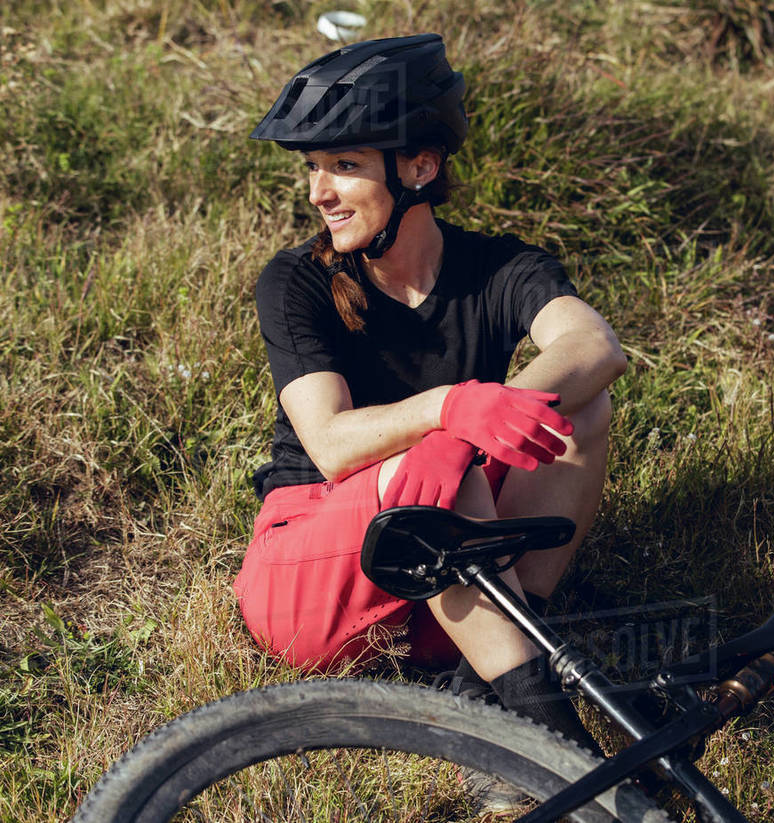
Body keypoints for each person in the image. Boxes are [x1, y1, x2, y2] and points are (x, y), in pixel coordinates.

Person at [234, 34, 625, 752]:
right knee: (431, 477)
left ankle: (484, 680)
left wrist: (460, 436)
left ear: (421, 165)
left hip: (434, 587)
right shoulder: (295, 281)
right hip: (309, 582)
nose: (319, 192)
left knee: (581, 407)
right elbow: (328, 442)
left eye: (345, 166)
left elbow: (595, 347)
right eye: (315, 168)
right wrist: (447, 413)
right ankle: (553, 741)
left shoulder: (499, 266)